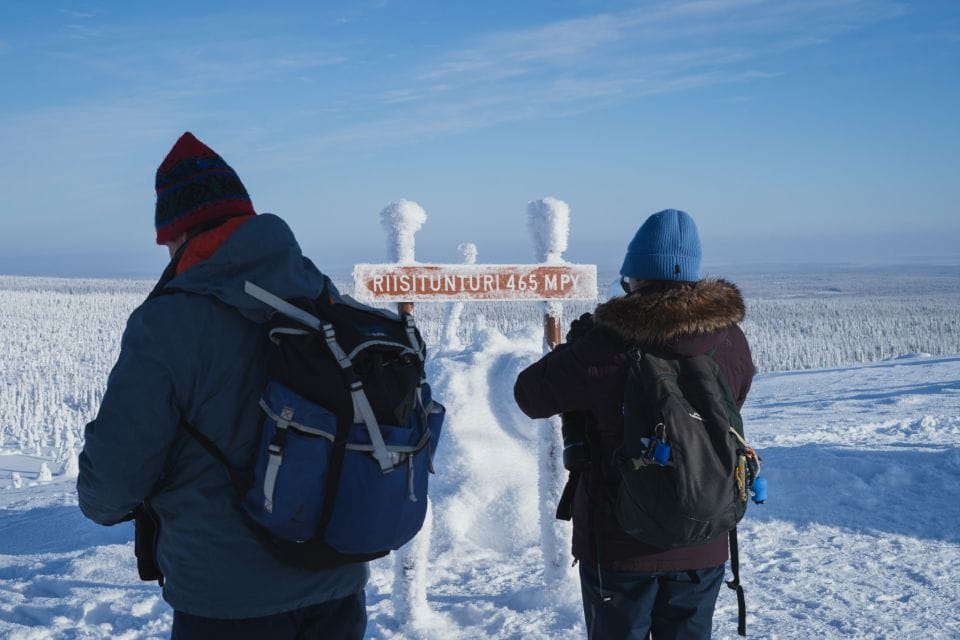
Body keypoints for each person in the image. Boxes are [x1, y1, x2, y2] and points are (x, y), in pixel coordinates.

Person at [77, 132, 368, 639]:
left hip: (227, 597)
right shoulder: (321, 297)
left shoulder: (169, 322)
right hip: (338, 583)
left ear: (179, 236)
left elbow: (113, 483)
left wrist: (101, 500)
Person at [514, 209, 754, 639]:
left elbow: (529, 395)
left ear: (634, 276)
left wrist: (579, 347)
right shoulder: (729, 339)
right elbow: (732, 404)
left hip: (617, 540)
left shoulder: (605, 345)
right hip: (704, 531)